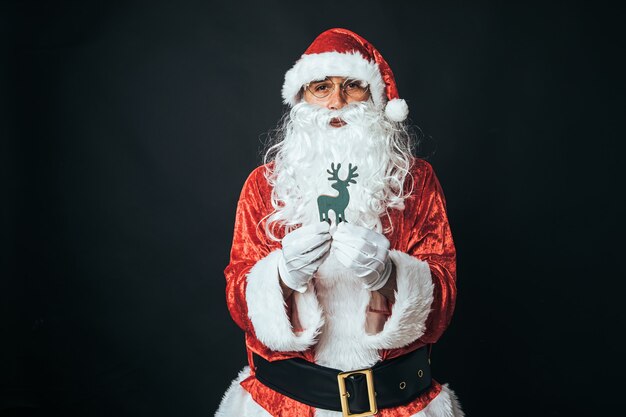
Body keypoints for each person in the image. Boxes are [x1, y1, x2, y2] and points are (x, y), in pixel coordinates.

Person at [216, 28, 463, 417]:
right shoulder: (264, 186)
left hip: (397, 403)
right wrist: (282, 275)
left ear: (375, 98)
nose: (336, 103)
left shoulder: (416, 181)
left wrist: (390, 276)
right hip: (285, 406)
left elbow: (443, 304)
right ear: (301, 98)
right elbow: (237, 299)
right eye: (321, 88)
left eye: (352, 87)